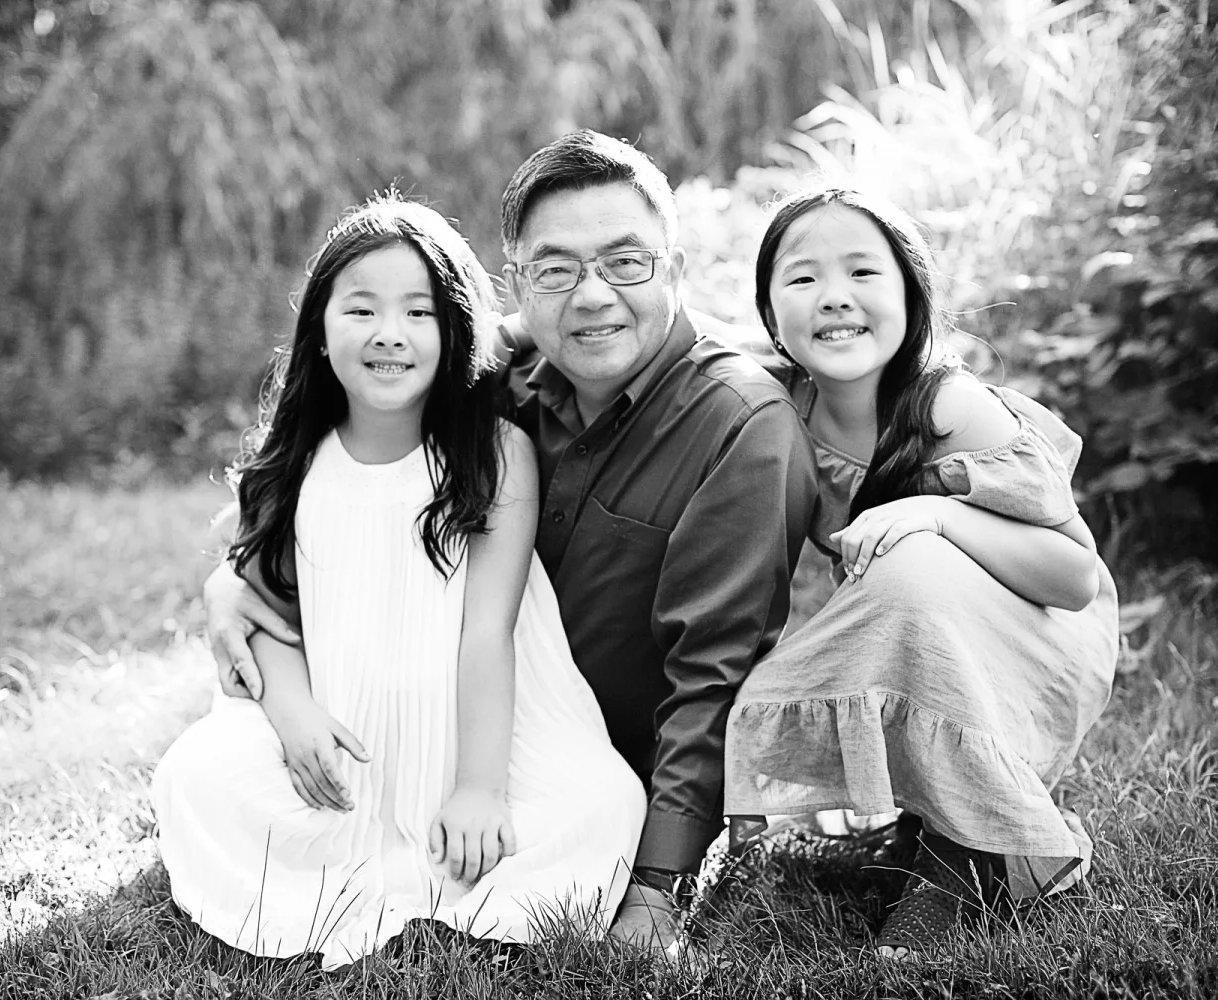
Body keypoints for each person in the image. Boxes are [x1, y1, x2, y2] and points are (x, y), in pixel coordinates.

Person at [201, 131, 819, 951]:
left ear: (673, 268)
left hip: (580, 756)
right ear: (517, 284)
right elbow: (326, 480)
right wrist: (231, 580)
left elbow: (711, 678)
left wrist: (656, 888)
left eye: (625, 263)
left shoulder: (742, 428)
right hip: (425, 715)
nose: (592, 296)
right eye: (556, 270)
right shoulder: (498, 378)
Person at [151, 197, 646, 968]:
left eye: (419, 311)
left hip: (476, 729)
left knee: (601, 801)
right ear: (319, 327)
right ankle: (356, 857)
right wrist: (294, 718)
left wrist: (480, 786)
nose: (390, 332)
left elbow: (488, 630)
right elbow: (271, 616)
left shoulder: (494, 455)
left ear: (455, 332)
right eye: (362, 309)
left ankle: (455, 844)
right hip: (337, 724)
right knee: (198, 777)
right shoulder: (294, 460)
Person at [724, 188, 1118, 957]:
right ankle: (935, 815)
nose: (835, 297)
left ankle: (966, 863)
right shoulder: (779, 404)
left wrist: (937, 514)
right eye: (802, 279)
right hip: (929, 626)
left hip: (1037, 634)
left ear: (911, 294)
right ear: (771, 314)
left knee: (911, 565)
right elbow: (678, 343)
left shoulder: (948, 408)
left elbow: (1074, 577)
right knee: (893, 592)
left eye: (863, 273)